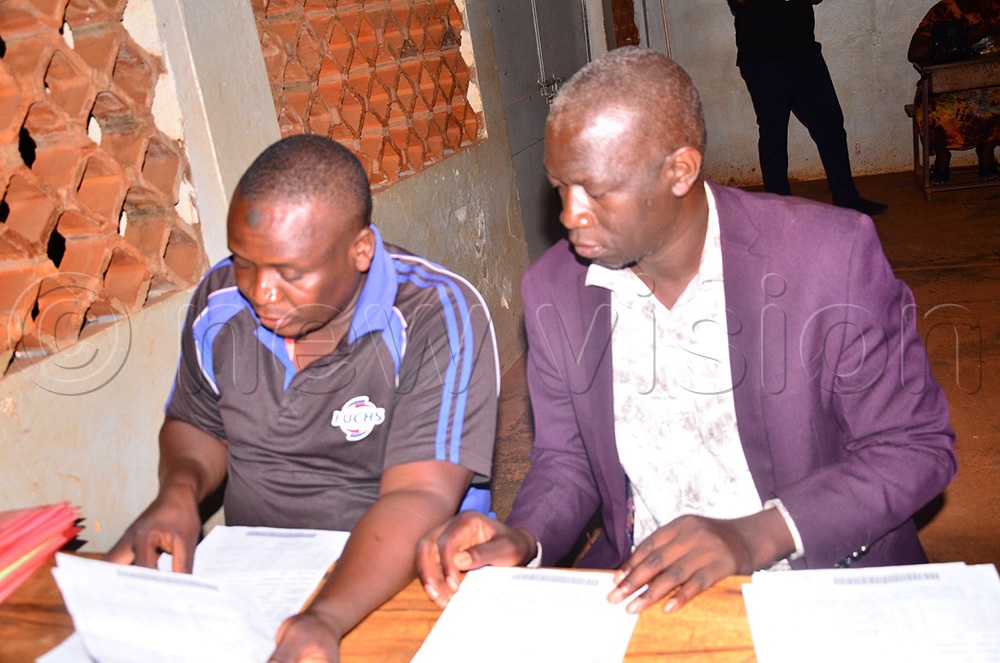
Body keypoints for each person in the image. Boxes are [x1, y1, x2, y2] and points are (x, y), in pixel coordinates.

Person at [417, 47, 956, 616]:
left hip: (815, 574)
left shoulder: (826, 257)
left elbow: (914, 448)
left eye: (595, 190)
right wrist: (522, 537)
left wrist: (757, 534)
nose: (570, 214)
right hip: (645, 585)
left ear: (680, 169)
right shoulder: (555, 290)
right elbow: (566, 460)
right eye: (559, 187)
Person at [106, 135, 499, 661]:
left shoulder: (435, 314)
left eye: (290, 273)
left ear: (360, 251)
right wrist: (178, 493)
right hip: (256, 575)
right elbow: (197, 423)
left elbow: (420, 498)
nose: (260, 291)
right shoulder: (221, 300)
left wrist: (323, 617)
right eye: (245, 261)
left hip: (400, 575)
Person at [727, 0, 888, 216]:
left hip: (805, 52)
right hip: (764, 58)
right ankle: (780, 209)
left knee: (830, 125)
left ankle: (847, 198)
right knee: (773, 133)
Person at [907, 0, 1000, 185]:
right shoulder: (942, 11)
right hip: (948, 86)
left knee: (995, 103)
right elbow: (915, 52)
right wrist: (965, 37)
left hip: (988, 84)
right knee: (932, 109)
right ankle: (942, 158)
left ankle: (986, 155)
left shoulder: (995, 9)